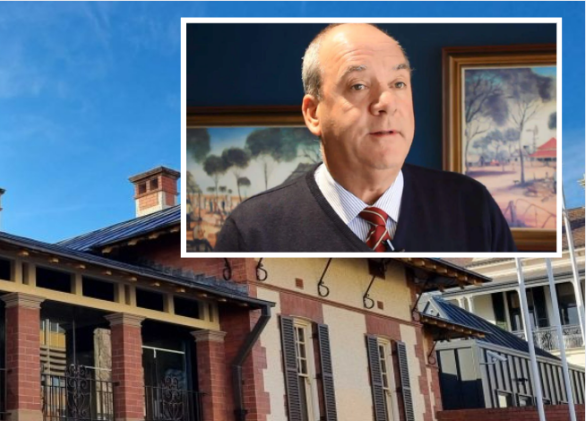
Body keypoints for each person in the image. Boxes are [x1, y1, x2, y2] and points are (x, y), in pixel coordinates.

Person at [214, 23, 516, 252]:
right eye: (358, 85)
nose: (386, 102)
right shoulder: (253, 231)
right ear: (314, 113)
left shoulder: (472, 206)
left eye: (398, 83)